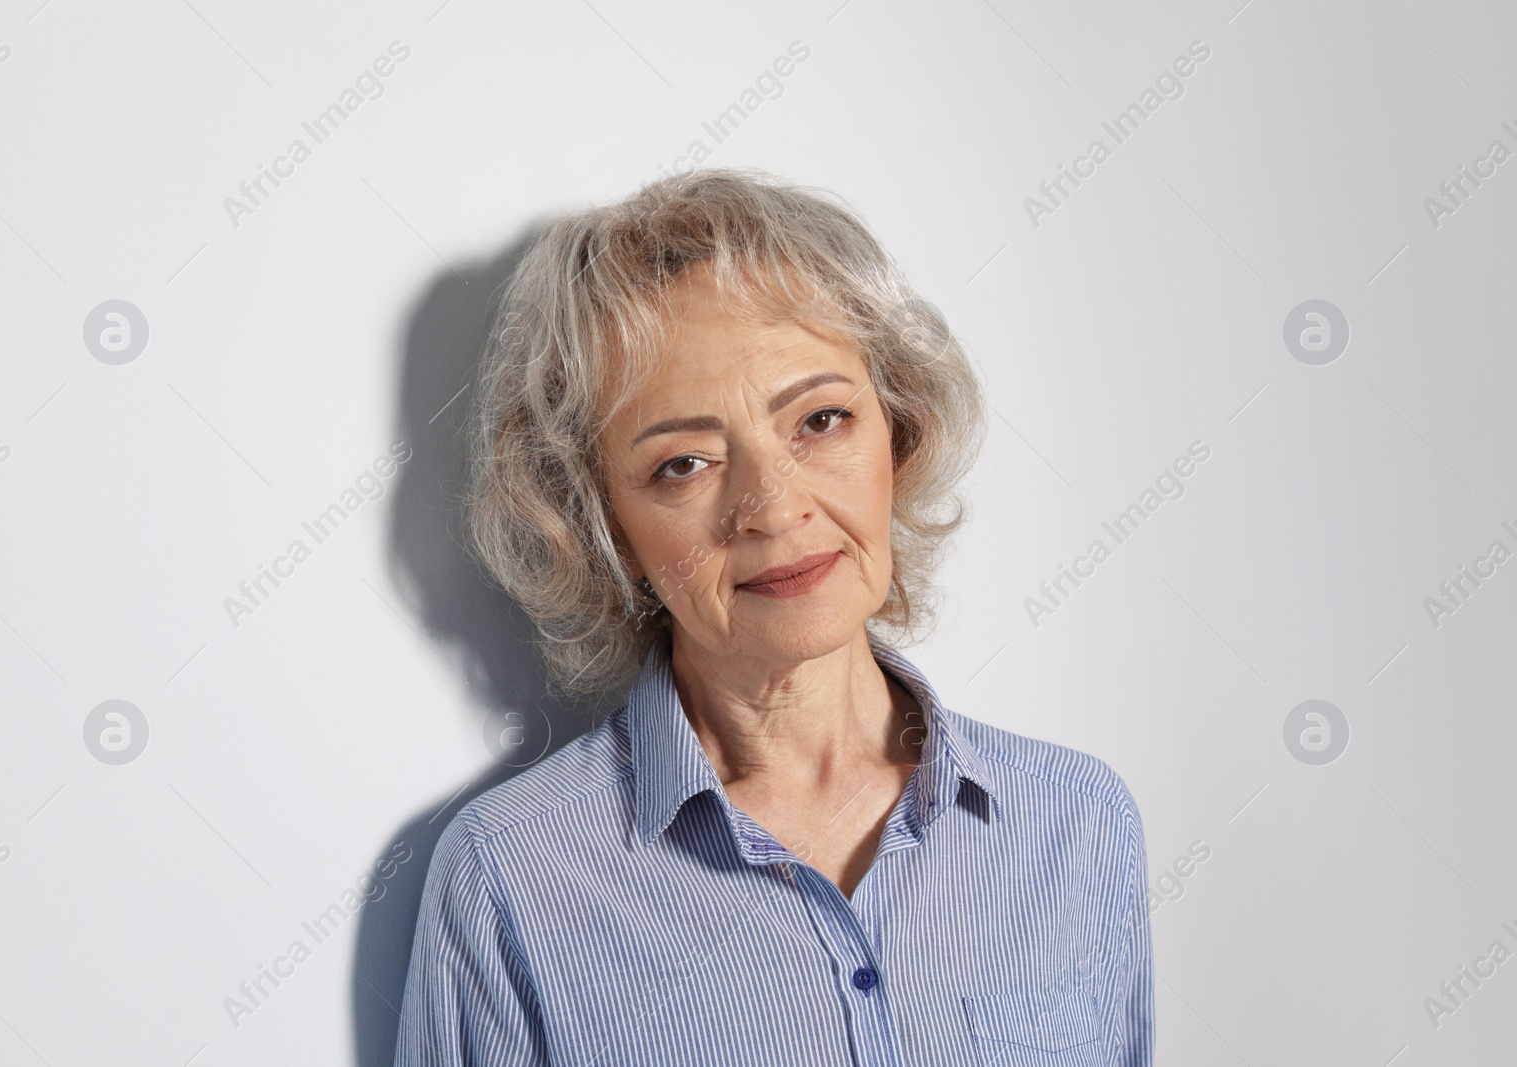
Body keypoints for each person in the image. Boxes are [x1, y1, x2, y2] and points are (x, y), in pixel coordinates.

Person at [395, 169, 1152, 1065]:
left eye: (821, 420)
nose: (773, 505)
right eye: (684, 464)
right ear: (600, 528)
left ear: (898, 432)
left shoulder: (1077, 822)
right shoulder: (506, 883)